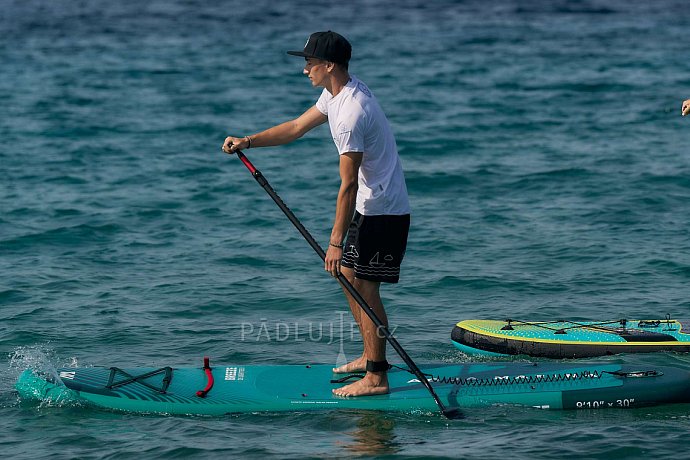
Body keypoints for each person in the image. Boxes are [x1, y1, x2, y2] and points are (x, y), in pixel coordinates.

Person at [222, 31, 410, 397]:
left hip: (383, 211)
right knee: (347, 278)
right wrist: (249, 140)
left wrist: (335, 241)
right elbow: (294, 128)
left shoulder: (351, 115)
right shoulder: (336, 94)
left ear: (330, 66)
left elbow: (349, 185)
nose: (305, 69)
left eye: (309, 62)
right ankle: (370, 357)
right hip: (369, 207)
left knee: (366, 290)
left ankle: (377, 377)